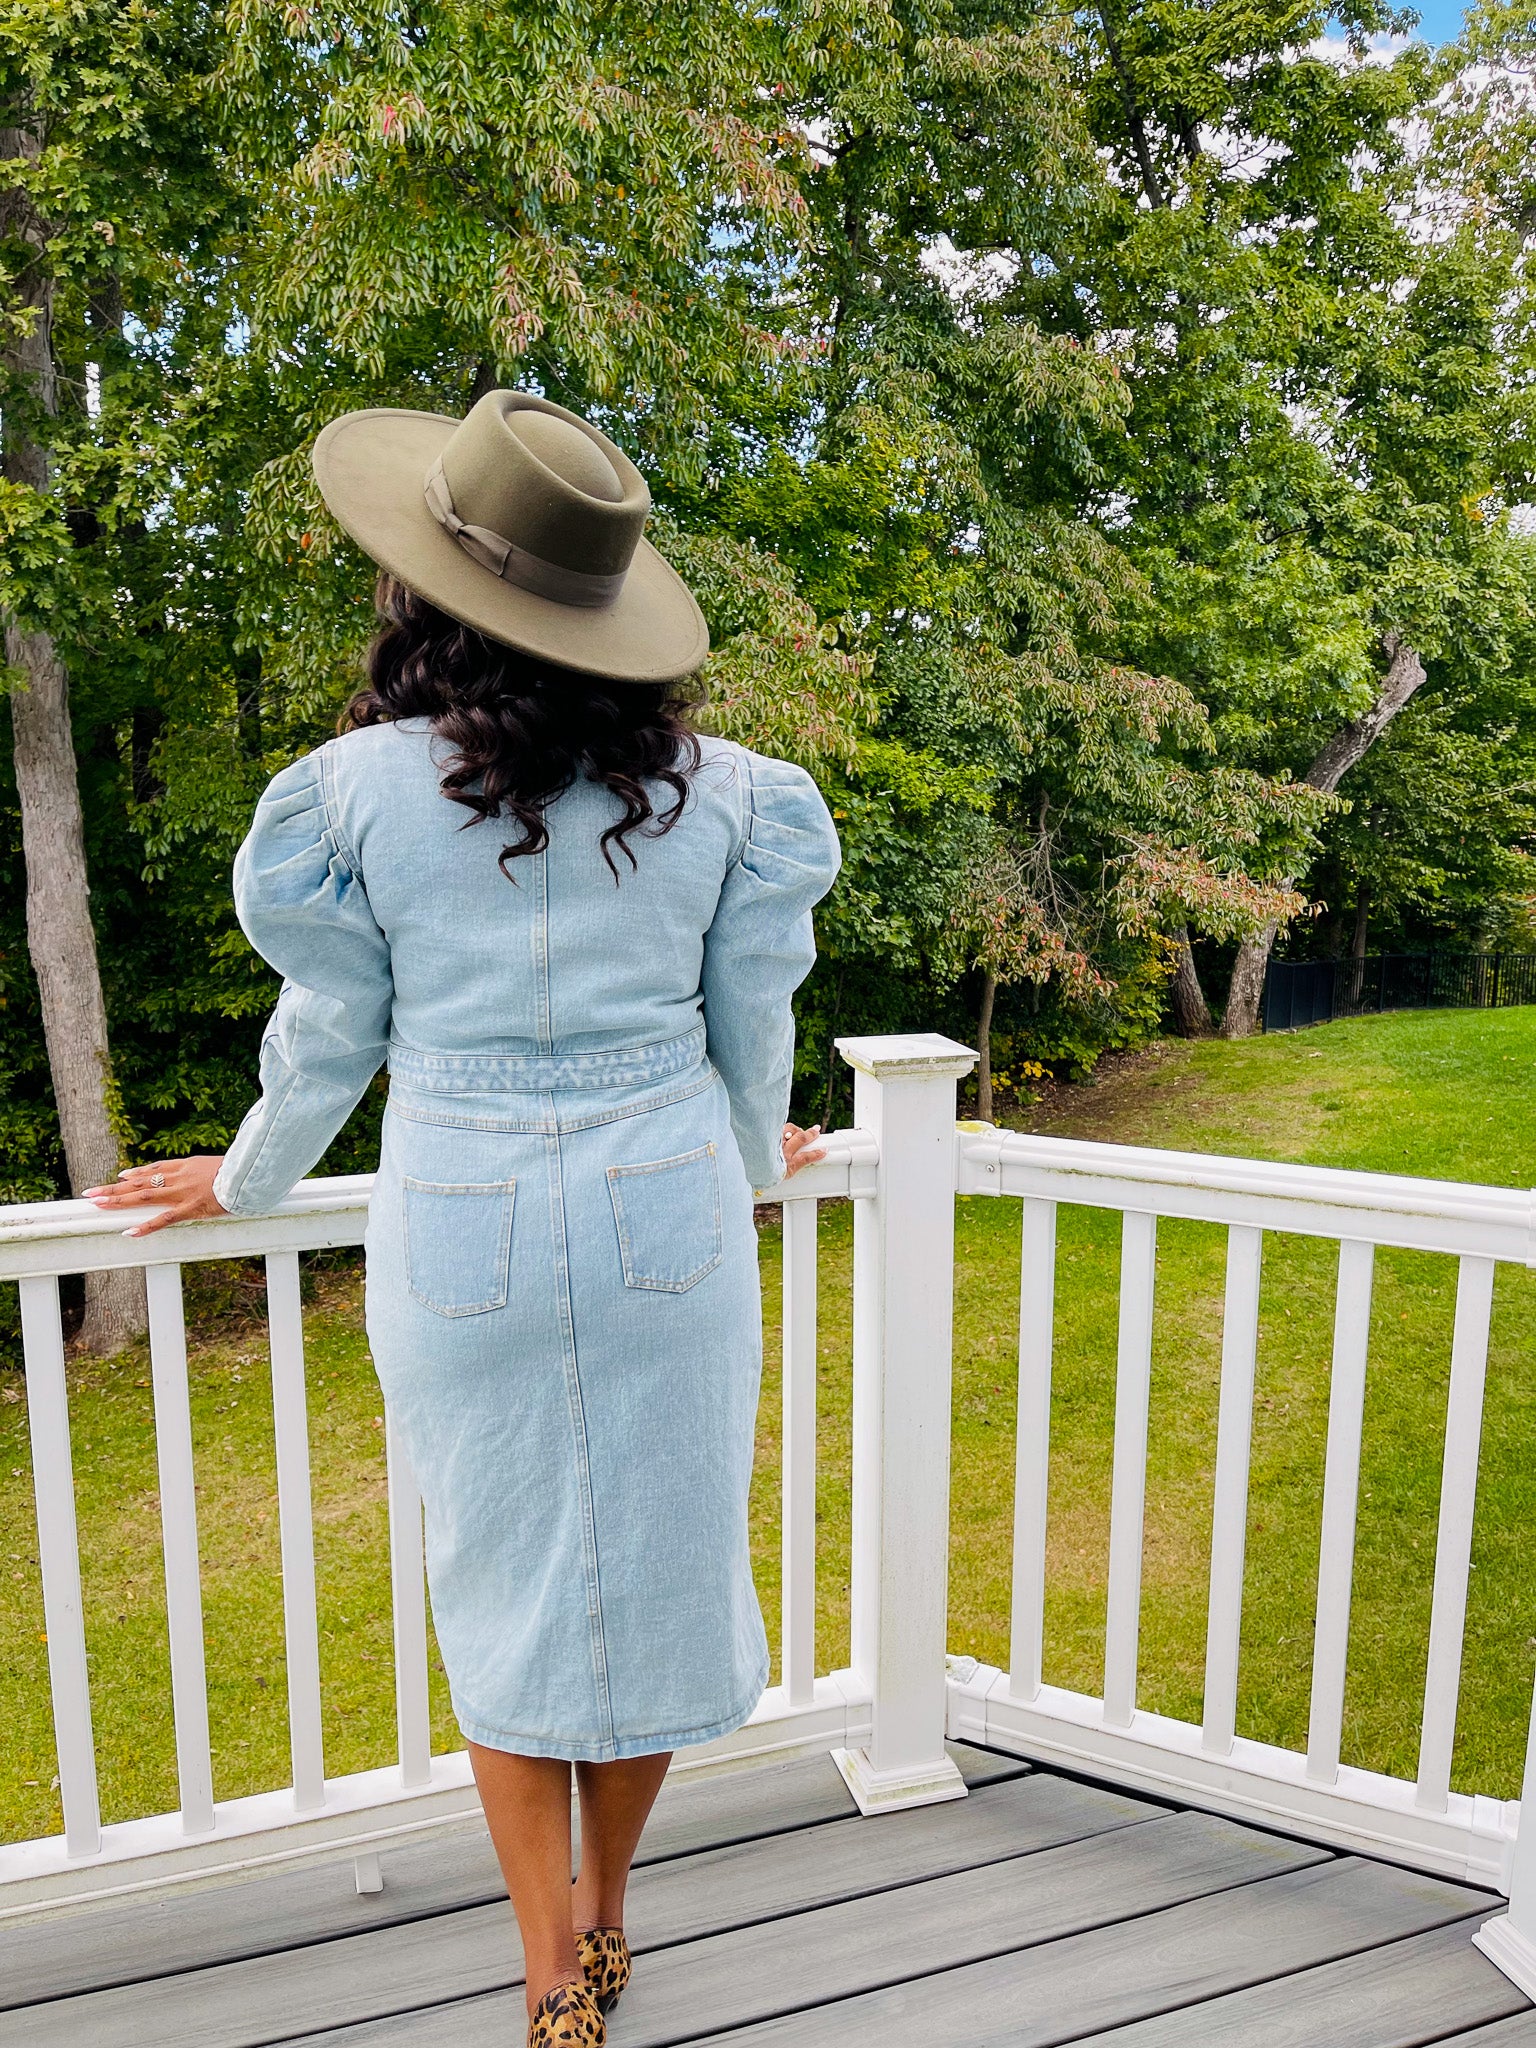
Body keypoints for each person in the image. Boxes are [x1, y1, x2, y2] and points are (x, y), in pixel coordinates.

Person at [86, 390, 840, 2048]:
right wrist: (744, 1159)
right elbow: (752, 1033)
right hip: (674, 1227)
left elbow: (329, 1036)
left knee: (499, 1581)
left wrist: (246, 1177)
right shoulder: (731, 796)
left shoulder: (346, 794)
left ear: (421, 591)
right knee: (654, 1582)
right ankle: (617, 1920)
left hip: (462, 1226)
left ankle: (542, 1967)